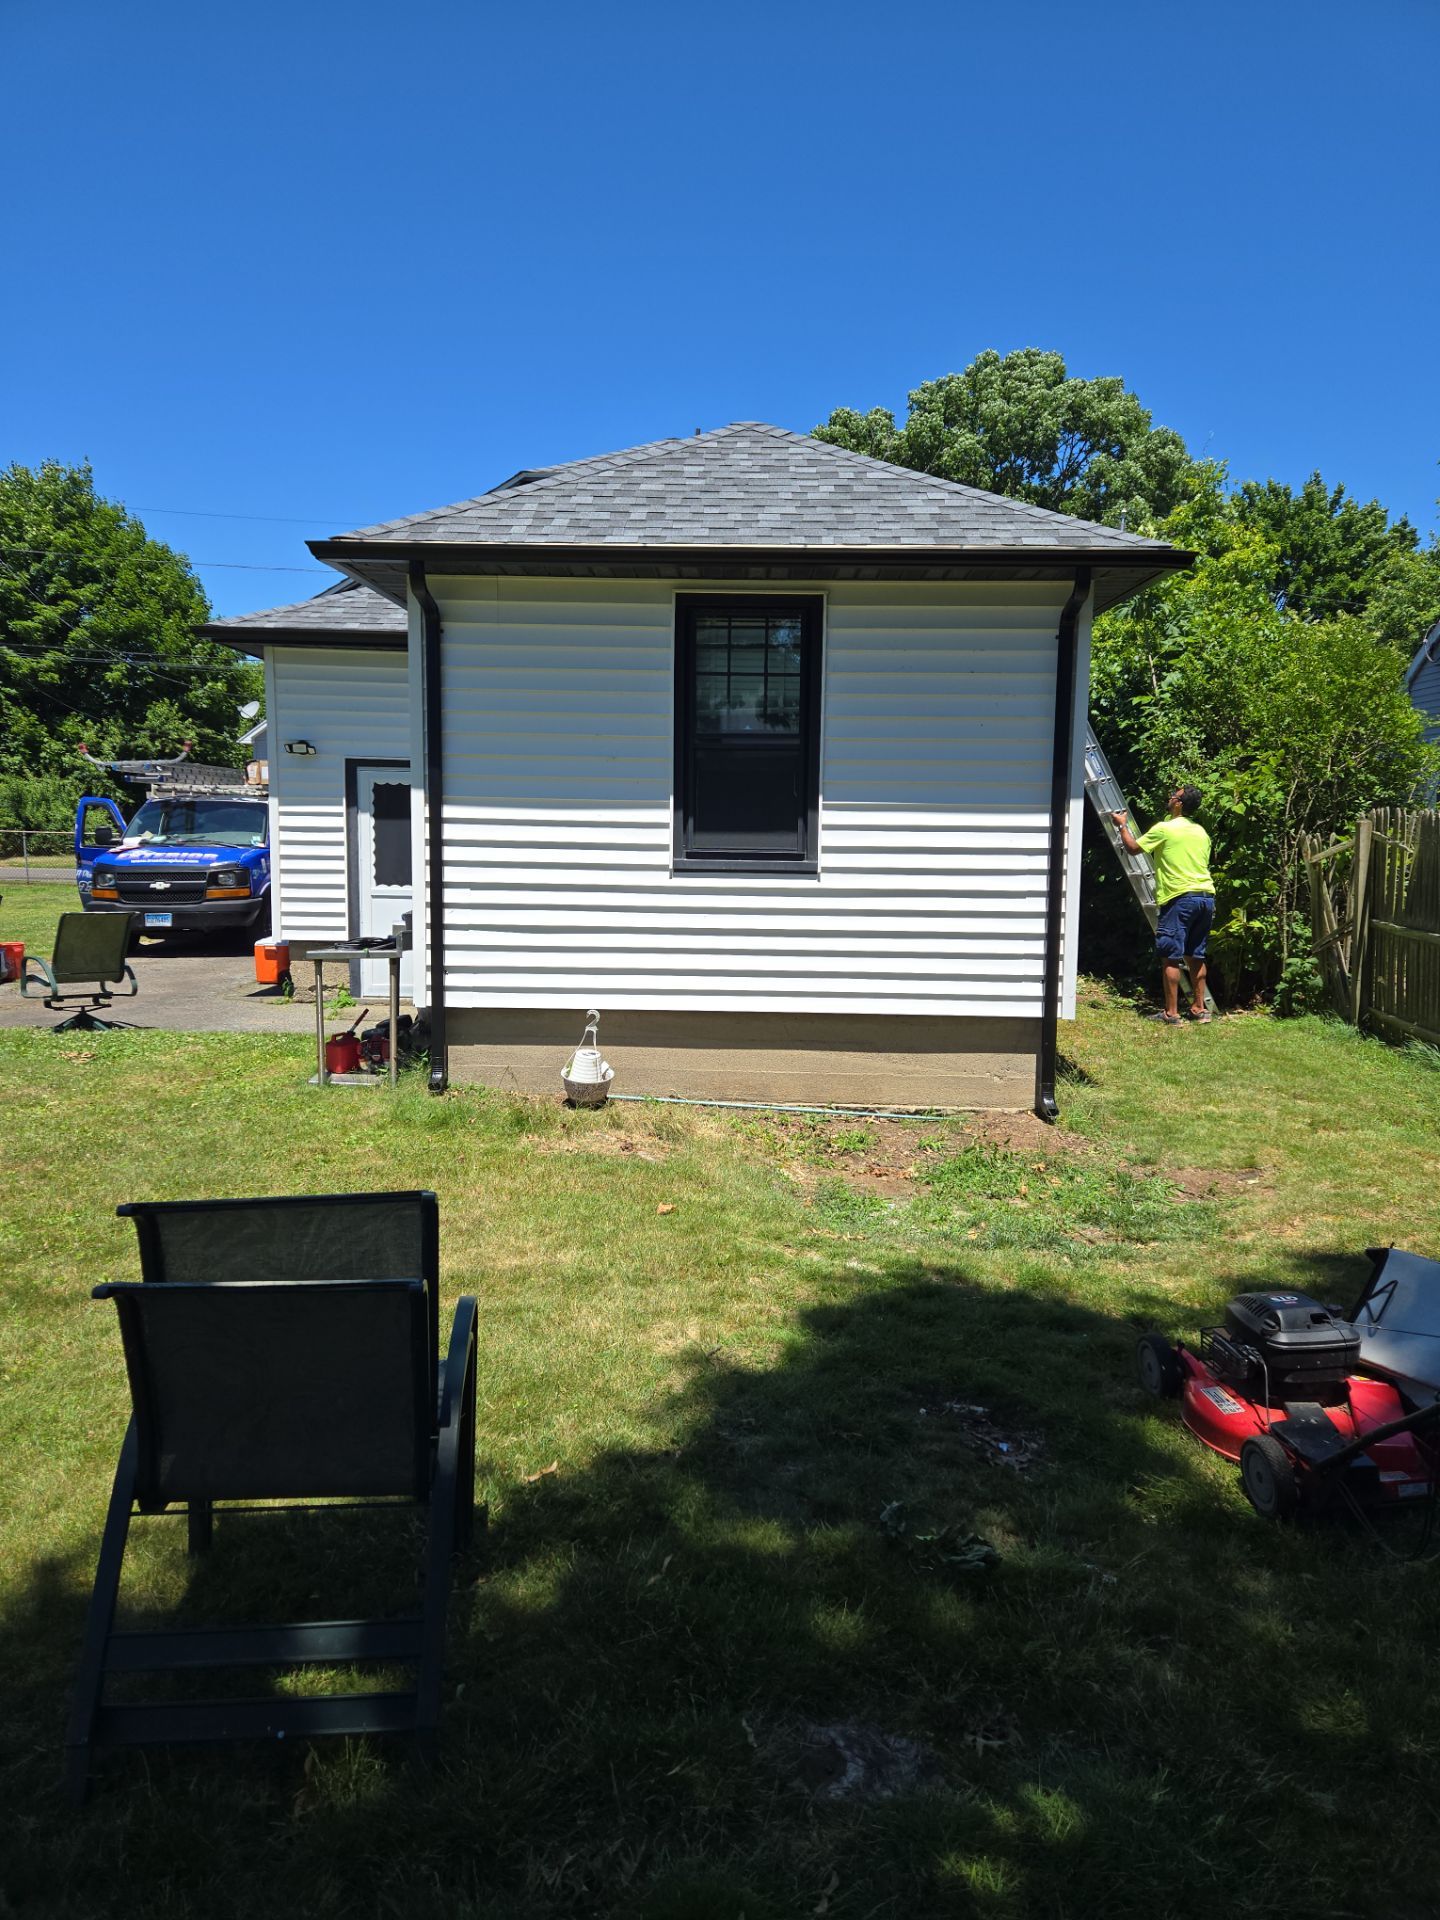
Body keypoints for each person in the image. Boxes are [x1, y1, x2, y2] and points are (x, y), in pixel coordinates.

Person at [1111, 784, 1215, 1024]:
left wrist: (1122, 825)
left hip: (1179, 897)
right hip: (1206, 897)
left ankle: (1171, 1014)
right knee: (1196, 956)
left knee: (1171, 956)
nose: (1169, 798)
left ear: (1179, 804)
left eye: (1173, 796)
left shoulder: (1165, 829)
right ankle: (1200, 1010)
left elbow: (1134, 848)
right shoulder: (1201, 832)